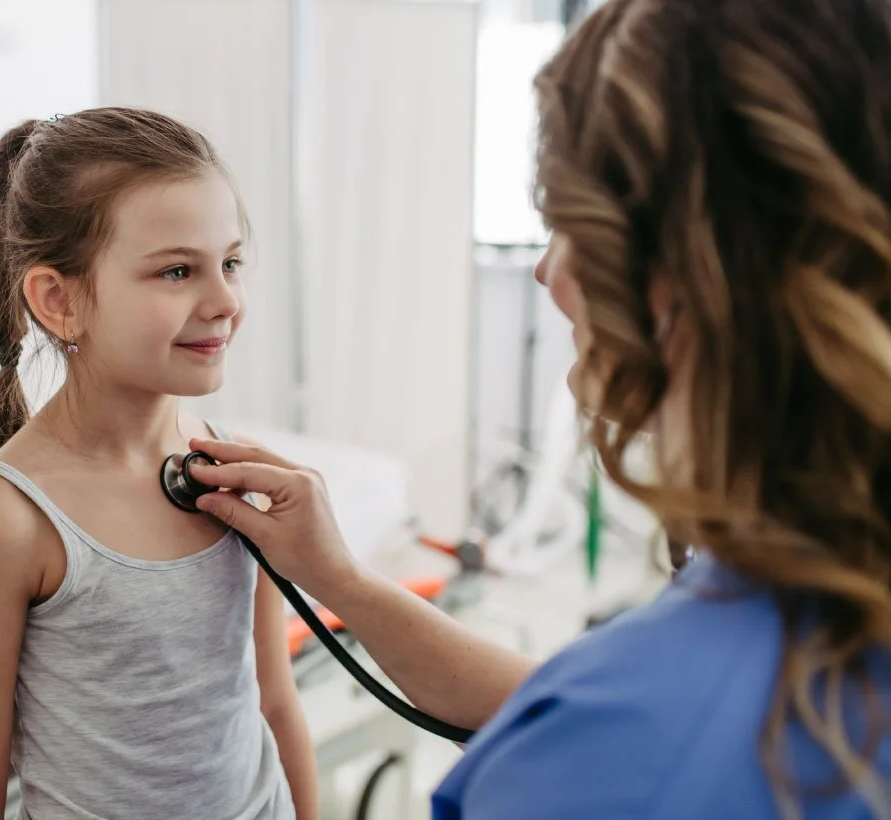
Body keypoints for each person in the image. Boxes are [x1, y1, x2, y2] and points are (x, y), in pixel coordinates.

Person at [191, 0, 891, 816]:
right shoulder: (815, 594)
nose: (545, 273)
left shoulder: (609, 761)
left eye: (561, 224)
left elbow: (608, 736)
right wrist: (338, 576)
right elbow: (565, 704)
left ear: (676, 275)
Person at [0, 107, 317, 820]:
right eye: (176, 271)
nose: (225, 300)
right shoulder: (3, 521)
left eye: (230, 263)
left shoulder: (227, 467)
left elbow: (274, 703)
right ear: (59, 301)